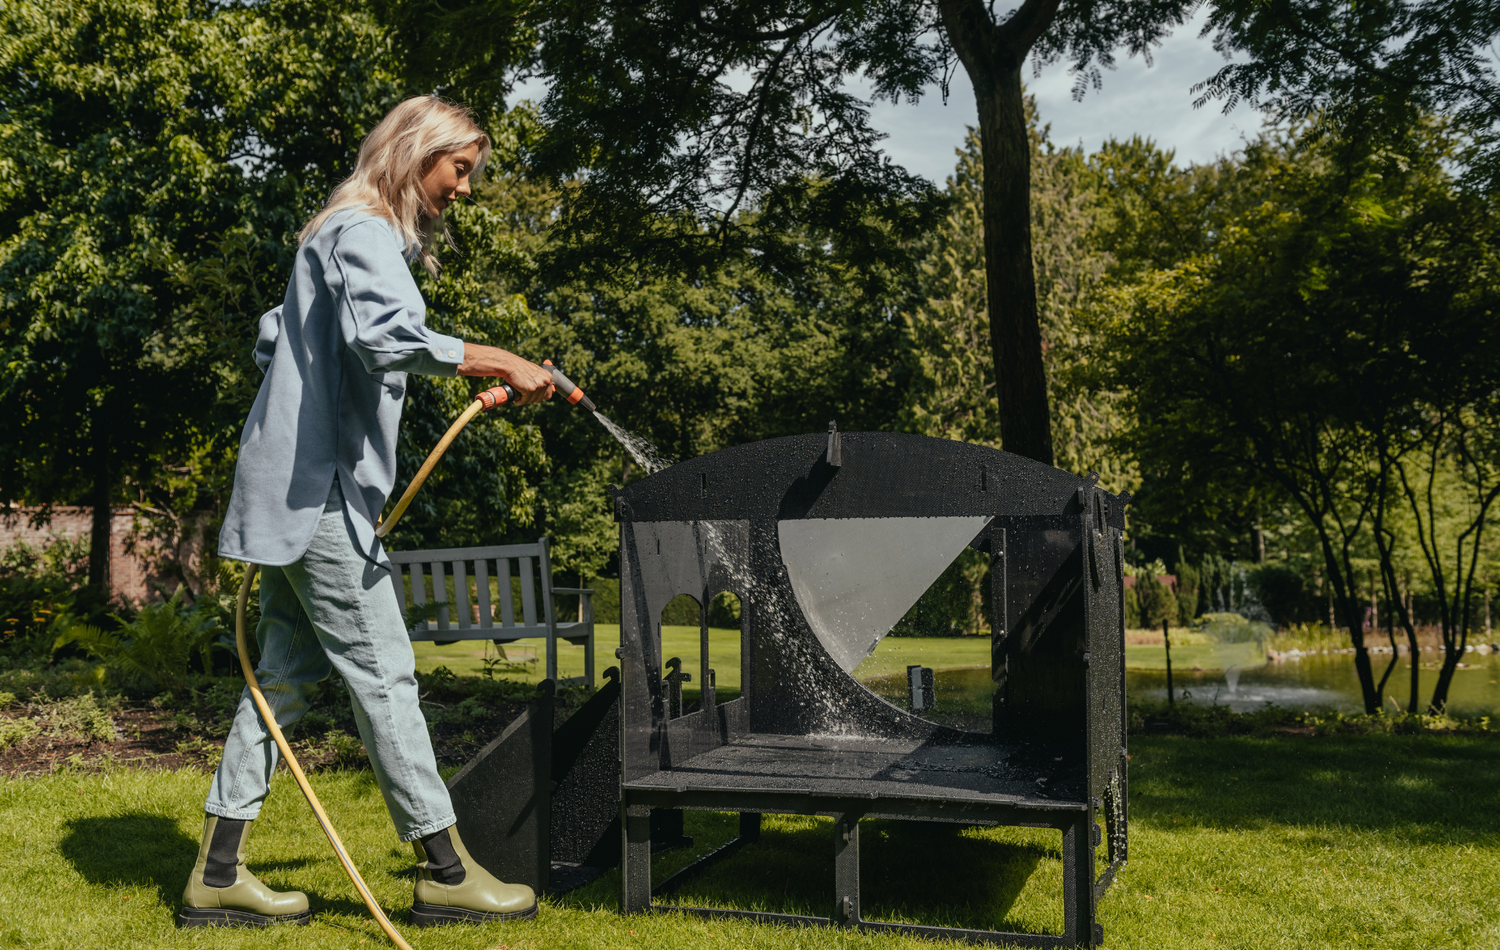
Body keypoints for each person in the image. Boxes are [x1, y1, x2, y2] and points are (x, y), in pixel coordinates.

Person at [179, 96, 553, 930]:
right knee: (386, 676)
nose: (465, 189)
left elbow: (277, 337)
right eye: (460, 170)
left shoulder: (335, 235)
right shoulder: (362, 232)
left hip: (307, 496)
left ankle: (217, 871)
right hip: (320, 504)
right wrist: (498, 358)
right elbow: (387, 336)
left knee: (279, 682)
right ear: (418, 152)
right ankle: (445, 871)